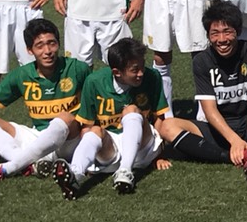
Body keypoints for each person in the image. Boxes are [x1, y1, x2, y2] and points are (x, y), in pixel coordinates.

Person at [157, 0, 247, 179]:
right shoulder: (202, 61)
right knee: (167, 127)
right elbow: (209, 109)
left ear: (238, 31)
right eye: (215, 33)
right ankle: (234, 155)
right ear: (208, 36)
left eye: (227, 32)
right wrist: (234, 140)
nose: (222, 40)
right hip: (221, 129)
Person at [0, 18, 90, 182]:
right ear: (30, 50)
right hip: (38, 136)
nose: (47, 51)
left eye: (52, 43)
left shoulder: (77, 69)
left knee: (65, 117)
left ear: (59, 44)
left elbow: (97, 100)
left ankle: (10, 167)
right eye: (40, 46)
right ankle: (31, 164)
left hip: (70, 141)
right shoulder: (22, 75)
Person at [60, 37, 169, 198]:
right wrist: (89, 156)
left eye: (142, 66)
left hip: (143, 149)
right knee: (95, 130)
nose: (141, 73)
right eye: (135, 70)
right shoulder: (94, 82)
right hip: (111, 150)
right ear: (117, 72)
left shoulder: (152, 76)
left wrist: (159, 155)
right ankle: (75, 174)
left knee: (131, 110)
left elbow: (160, 117)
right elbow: (86, 126)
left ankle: (125, 171)